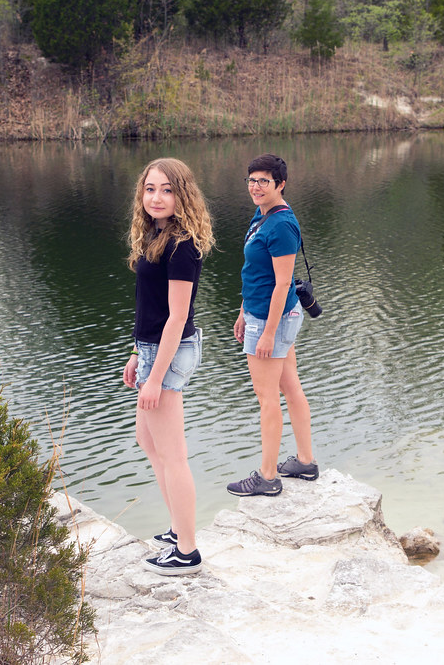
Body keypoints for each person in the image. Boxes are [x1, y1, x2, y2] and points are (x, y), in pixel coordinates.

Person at [122, 158, 215, 575]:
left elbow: (177, 318)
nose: (156, 197)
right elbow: (151, 307)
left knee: (173, 455)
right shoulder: (157, 235)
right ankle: (178, 529)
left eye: (166, 190)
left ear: (182, 195)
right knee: (149, 440)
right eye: (150, 189)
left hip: (169, 352)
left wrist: (154, 376)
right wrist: (136, 354)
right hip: (152, 348)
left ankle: (187, 551)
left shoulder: (181, 245)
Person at [227, 153, 318, 497]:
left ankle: (267, 476)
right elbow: (256, 274)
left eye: (264, 181)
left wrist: (266, 332)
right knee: (289, 388)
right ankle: (305, 462)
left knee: (267, 397)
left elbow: (282, 283)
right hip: (261, 313)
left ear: (280, 184)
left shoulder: (281, 225)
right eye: (251, 179)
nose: (255, 186)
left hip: (272, 319)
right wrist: (242, 311)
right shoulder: (262, 215)